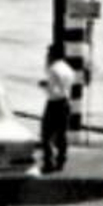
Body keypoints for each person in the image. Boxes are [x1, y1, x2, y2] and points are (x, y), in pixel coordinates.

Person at [39, 43, 74, 172]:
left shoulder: (53, 69)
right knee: (62, 133)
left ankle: (48, 162)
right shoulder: (68, 69)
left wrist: (44, 85)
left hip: (54, 103)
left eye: (48, 53)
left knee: (46, 134)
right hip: (65, 102)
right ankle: (61, 160)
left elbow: (53, 90)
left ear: (52, 54)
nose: (47, 56)